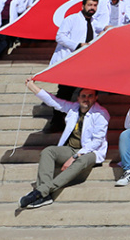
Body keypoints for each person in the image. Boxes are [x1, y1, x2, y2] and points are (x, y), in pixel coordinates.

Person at [19, 79, 110, 209]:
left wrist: (75, 157)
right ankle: (45, 195)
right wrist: (32, 86)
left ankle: (42, 191)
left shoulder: (101, 113)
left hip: (91, 152)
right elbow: (53, 101)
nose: (86, 99)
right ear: (78, 98)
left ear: (96, 97)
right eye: (83, 96)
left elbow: (97, 142)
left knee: (83, 159)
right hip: (70, 148)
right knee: (48, 151)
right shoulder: (73, 108)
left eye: (90, 96)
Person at [51, 0, 106, 66]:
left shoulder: (94, 22)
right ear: (83, 6)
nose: (92, 8)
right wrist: (77, 45)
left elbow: (104, 29)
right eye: (89, 5)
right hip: (65, 57)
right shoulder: (71, 19)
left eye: (95, 5)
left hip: (83, 60)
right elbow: (60, 37)